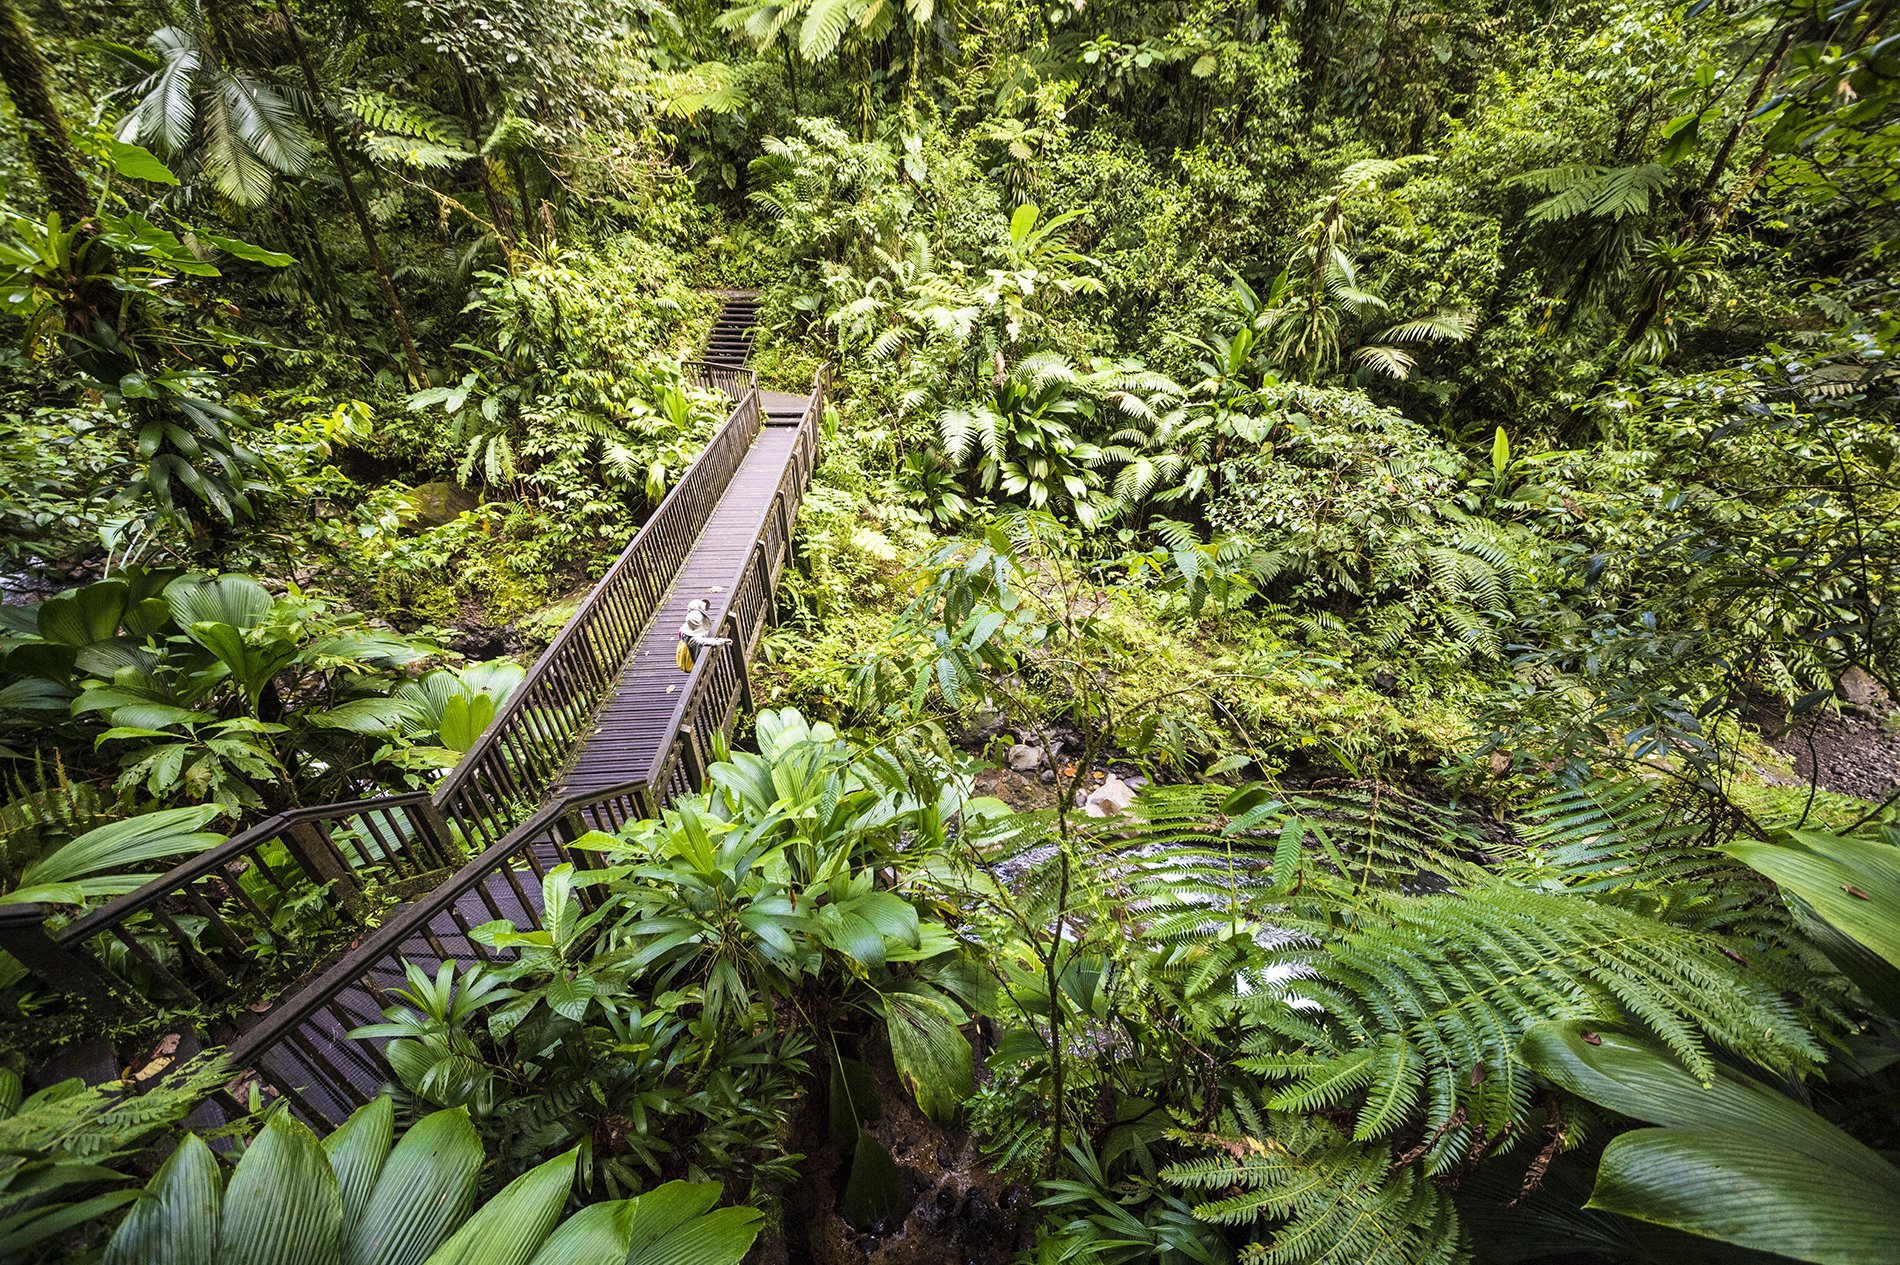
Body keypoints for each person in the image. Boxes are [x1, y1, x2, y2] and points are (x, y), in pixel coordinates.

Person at [675, 598, 730, 671]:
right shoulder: (694, 638)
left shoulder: (684, 629)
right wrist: (721, 641)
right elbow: (704, 641)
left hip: (684, 649)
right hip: (692, 660)